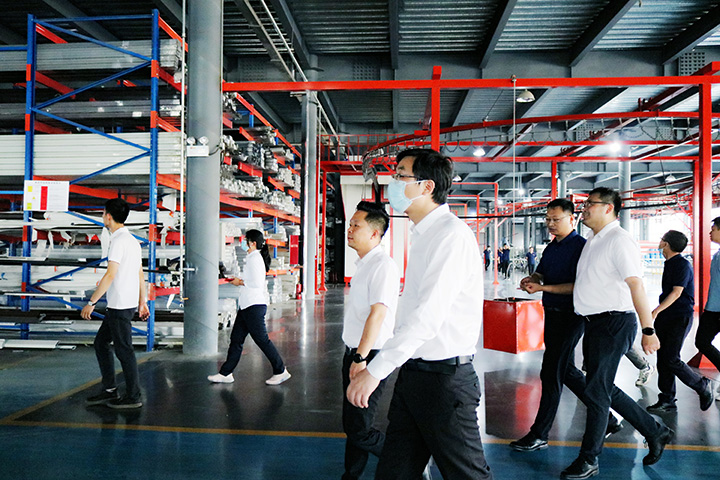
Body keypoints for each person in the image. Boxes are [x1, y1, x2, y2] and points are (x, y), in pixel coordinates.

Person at [347, 148, 492, 479]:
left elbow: (427, 317)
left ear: (427, 186)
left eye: (401, 175)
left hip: (444, 382)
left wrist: (375, 371)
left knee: (467, 475)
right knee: (394, 472)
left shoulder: (451, 236)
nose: (394, 183)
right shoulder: (424, 234)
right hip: (415, 374)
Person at [563, 187, 672, 479]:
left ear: (608, 208)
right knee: (600, 387)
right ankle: (654, 430)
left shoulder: (619, 241)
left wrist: (648, 329)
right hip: (594, 323)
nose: (584, 209)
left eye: (590, 204)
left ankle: (589, 458)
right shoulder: (593, 239)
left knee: (597, 391)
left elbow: (636, 285)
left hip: (614, 323)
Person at [510, 198, 622, 453]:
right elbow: (541, 272)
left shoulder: (581, 248)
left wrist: (543, 288)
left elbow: (580, 286)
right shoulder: (552, 247)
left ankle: (540, 433)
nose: (551, 224)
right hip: (552, 313)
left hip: (571, 316)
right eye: (548, 219)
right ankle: (608, 418)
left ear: (572, 219)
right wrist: (532, 279)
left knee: (551, 373)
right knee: (567, 371)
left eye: (556, 219)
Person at [341, 201, 399, 480]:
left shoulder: (382, 266)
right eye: (350, 224)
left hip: (369, 355)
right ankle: (351, 475)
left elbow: (378, 314)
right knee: (354, 423)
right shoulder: (364, 264)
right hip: (356, 352)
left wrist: (360, 358)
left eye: (356, 225)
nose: (349, 230)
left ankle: (407, 462)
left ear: (375, 233)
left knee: (359, 428)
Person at [82, 197, 149, 409]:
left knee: (124, 350)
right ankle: (110, 389)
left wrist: (92, 302)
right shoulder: (132, 241)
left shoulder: (118, 242)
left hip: (120, 305)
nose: (103, 217)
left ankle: (134, 396)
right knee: (101, 343)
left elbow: (110, 275)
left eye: (103, 214)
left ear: (108, 217)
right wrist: (143, 301)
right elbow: (140, 273)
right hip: (122, 304)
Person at [208, 229, 291, 386]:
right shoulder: (252, 258)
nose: (243, 243)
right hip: (246, 306)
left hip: (254, 306)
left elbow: (257, 283)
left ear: (252, 243)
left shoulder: (255, 259)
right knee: (236, 339)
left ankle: (280, 371)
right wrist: (240, 280)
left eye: (245, 241)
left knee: (262, 340)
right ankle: (226, 373)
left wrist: (240, 282)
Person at [648, 230, 713, 412]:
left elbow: (677, 293)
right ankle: (667, 399)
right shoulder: (670, 263)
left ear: (666, 244)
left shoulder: (682, 265)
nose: (660, 242)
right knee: (663, 359)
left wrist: (656, 311)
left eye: (662, 239)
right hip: (667, 316)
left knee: (671, 358)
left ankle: (701, 385)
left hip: (679, 317)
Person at [695, 216, 720, 397]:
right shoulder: (717, 254)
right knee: (701, 342)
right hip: (712, 308)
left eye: (713, 229)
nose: (710, 233)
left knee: (702, 341)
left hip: (717, 310)